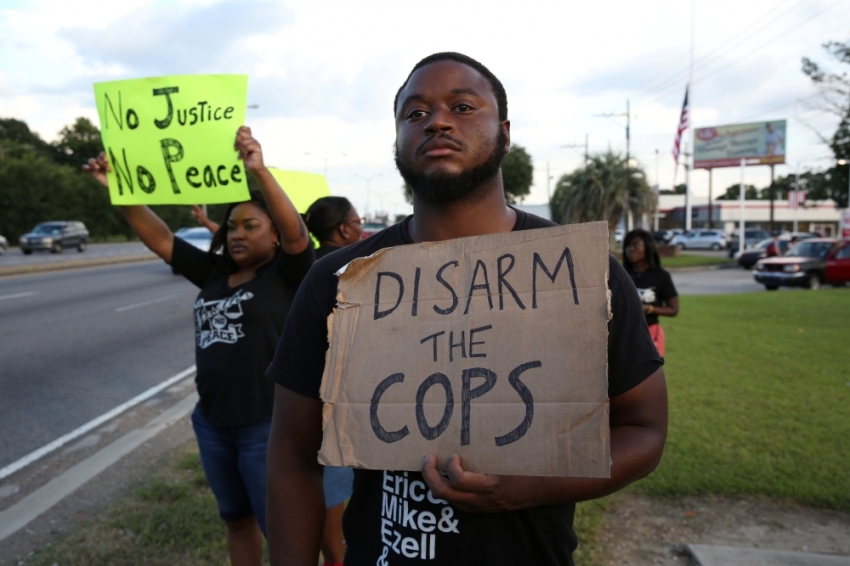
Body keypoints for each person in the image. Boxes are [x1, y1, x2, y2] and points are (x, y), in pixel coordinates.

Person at [265, 52, 668, 566]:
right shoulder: (340, 281)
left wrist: (531, 485)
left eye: (462, 105)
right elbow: (292, 455)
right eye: (414, 114)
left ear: (503, 131)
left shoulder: (582, 272)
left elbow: (644, 431)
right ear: (398, 141)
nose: (436, 120)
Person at [83, 126, 313, 566]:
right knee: (236, 520)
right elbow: (163, 240)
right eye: (231, 227)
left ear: (275, 237)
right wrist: (119, 189)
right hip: (211, 424)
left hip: (265, 429)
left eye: (251, 225)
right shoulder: (212, 273)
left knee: (283, 535)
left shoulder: (289, 276)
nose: (237, 234)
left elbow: (299, 237)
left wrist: (259, 172)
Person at [302, 195, 364, 566]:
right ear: (343, 229)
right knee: (332, 495)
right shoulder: (350, 270)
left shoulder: (297, 267)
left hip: (298, 399)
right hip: (334, 402)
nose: (361, 228)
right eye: (357, 222)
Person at [622, 229, 679, 357]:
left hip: (649, 333)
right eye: (627, 245)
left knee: (650, 375)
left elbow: (673, 309)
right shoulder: (621, 275)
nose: (630, 249)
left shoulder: (661, 276)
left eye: (635, 245)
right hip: (624, 334)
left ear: (647, 248)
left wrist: (649, 308)